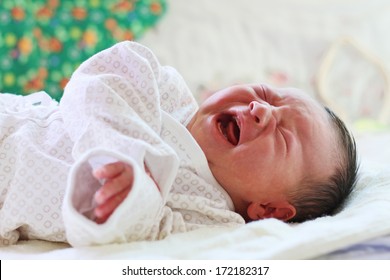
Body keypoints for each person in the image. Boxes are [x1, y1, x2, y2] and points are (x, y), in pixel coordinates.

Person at [0, 41, 358, 247]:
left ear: (271, 211)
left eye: (283, 136)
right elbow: (103, 77)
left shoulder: (211, 221)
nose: (261, 108)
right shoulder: (166, 94)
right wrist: (124, 152)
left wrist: (127, 200)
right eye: (267, 94)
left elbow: (132, 236)